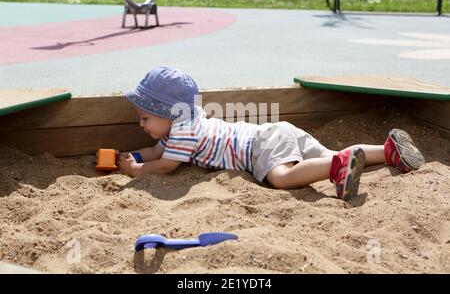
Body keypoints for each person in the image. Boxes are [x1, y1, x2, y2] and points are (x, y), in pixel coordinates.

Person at [115, 67, 425, 201]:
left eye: (145, 117)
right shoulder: (182, 123)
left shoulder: (183, 131)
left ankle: (338, 168)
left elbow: (166, 165)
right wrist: (136, 156)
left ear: (170, 113)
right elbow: (158, 152)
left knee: (281, 177)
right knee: (323, 153)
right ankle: (387, 151)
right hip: (276, 132)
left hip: (257, 147)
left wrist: (136, 170)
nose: (142, 125)